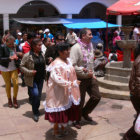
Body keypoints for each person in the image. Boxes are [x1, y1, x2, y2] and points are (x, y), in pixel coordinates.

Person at [43, 42, 81, 138]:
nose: (69, 52)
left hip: (67, 90)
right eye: (66, 50)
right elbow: (57, 79)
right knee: (58, 111)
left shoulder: (68, 61)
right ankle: (55, 130)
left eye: (69, 49)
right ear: (60, 52)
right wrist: (71, 84)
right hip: (58, 91)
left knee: (66, 109)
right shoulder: (55, 64)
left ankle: (63, 128)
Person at [70, 28, 101, 126]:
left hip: (90, 77)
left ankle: (84, 112)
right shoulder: (76, 48)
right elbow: (72, 65)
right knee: (80, 101)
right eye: (90, 34)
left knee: (97, 97)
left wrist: (93, 74)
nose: (92, 36)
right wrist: (83, 71)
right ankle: (77, 119)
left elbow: (91, 62)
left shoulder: (90, 45)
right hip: (80, 78)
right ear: (83, 36)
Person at [20, 38, 46, 122]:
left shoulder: (42, 54)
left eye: (41, 44)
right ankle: (35, 112)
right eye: (39, 45)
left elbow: (44, 65)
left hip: (40, 78)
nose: (41, 46)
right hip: (32, 79)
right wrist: (30, 71)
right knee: (35, 94)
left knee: (38, 96)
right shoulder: (27, 55)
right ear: (34, 46)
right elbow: (21, 66)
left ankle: (36, 109)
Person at [123, 44, 140, 140]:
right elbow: (138, 82)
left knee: (138, 119)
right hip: (138, 95)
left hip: (136, 95)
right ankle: (128, 137)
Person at [0, 35, 19, 108]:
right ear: (6, 42)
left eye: (12, 43)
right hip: (5, 67)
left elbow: (15, 54)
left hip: (13, 67)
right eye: (10, 43)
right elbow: (0, 58)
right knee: (8, 84)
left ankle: (15, 99)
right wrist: (9, 58)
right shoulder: (2, 47)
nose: (11, 45)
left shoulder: (14, 46)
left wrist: (17, 57)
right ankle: (9, 99)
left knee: (16, 83)